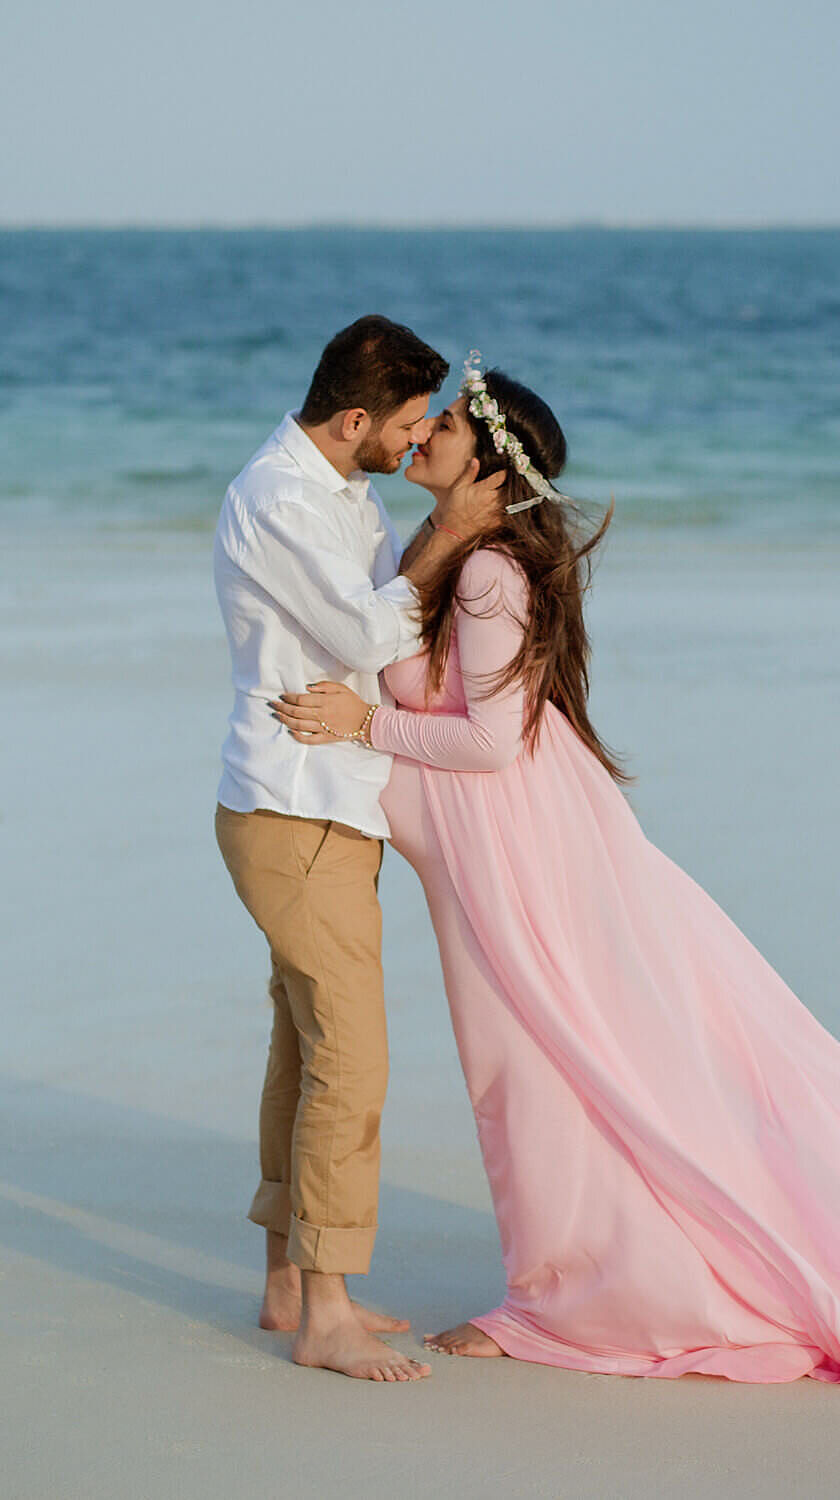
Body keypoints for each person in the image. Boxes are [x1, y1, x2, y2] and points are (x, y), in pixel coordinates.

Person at [272, 352, 840, 1391]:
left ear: (490, 471)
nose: (424, 431)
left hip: (519, 852)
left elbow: (488, 744)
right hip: (503, 841)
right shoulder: (462, 556)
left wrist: (364, 721)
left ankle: (559, 1297)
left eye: (451, 427)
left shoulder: (486, 573)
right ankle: (558, 1278)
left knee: (536, 1068)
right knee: (536, 1068)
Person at [214, 317, 499, 1383]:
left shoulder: (348, 491)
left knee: (303, 1045)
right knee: (352, 1058)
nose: (418, 440)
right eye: (409, 423)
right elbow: (372, 636)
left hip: (335, 803)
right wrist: (448, 535)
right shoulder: (281, 499)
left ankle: (290, 1281)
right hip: (291, 807)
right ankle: (324, 1314)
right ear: (352, 421)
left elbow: (390, 633)